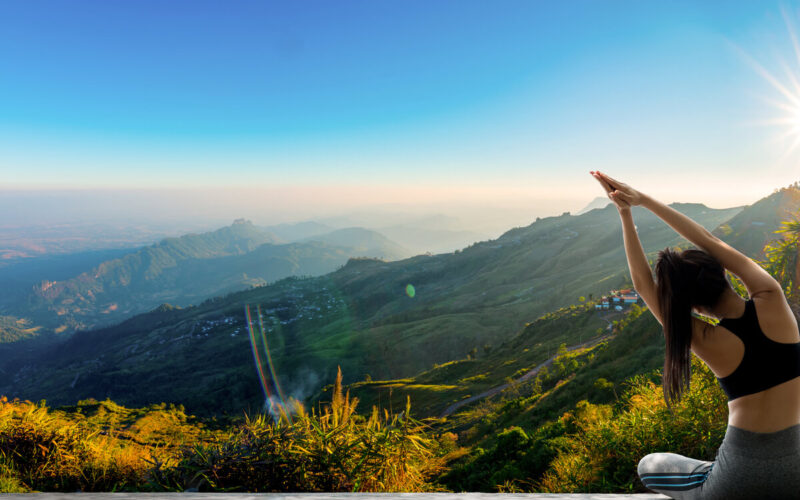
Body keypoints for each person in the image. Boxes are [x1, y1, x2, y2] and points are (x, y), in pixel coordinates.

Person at [591, 171, 800, 500]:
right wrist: (642, 199)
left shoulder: (705, 340)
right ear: (722, 271)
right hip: (797, 474)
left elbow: (644, 286)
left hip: (736, 484)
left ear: (695, 307)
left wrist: (625, 214)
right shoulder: (772, 297)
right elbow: (710, 241)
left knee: (651, 464)